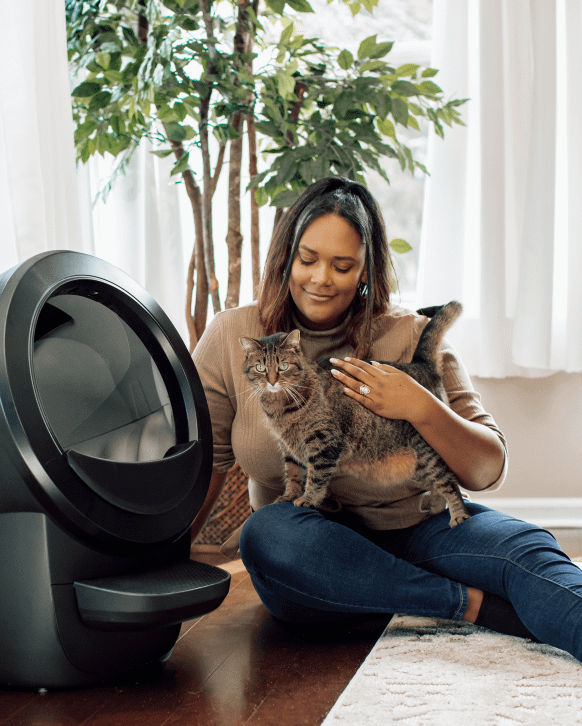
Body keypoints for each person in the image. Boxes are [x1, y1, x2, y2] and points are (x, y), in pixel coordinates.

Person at [191, 175, 582, 661]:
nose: (320, 278)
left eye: (342, 265)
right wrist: (160, 560)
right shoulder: (234, 337)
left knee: (529, 553)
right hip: (314, 550)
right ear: (285, 257)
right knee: (266, 537)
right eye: (307, 259)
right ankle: (467, 604)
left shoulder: (409, 335)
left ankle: (403, 599)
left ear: (365, 271)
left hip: (422, 530)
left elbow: (486, 470)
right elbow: (205, 462)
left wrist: (420, 405)